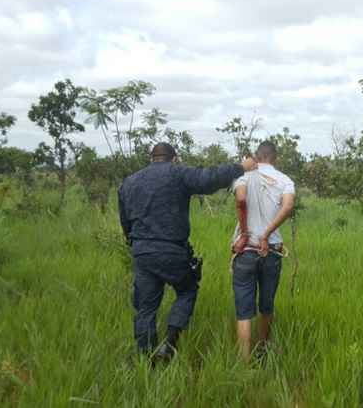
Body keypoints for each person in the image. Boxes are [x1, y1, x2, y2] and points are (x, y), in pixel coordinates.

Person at [118, 143, 257, 365]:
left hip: (142, 251)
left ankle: (145, 358)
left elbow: (125, 222)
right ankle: (169, 344)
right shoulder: (177, 173)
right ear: (174, 158)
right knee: (187, 289)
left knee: (145, 307)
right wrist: (242, 167)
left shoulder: (129, 182)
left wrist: (136, 245)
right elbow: (210, 178)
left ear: (151, 158)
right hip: (172, 249)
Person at [230, 141, 296, 361]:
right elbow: (287, 207)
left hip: (245, 249)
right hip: (272, 251)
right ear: (274, 158)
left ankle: (244, 360)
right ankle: (264, 349)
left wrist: (246, 234)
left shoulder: (243, 177)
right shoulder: (285, 180)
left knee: (243, 309)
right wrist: (267, 234)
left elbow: (240, 200)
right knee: (267, 305)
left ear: (256, 157)